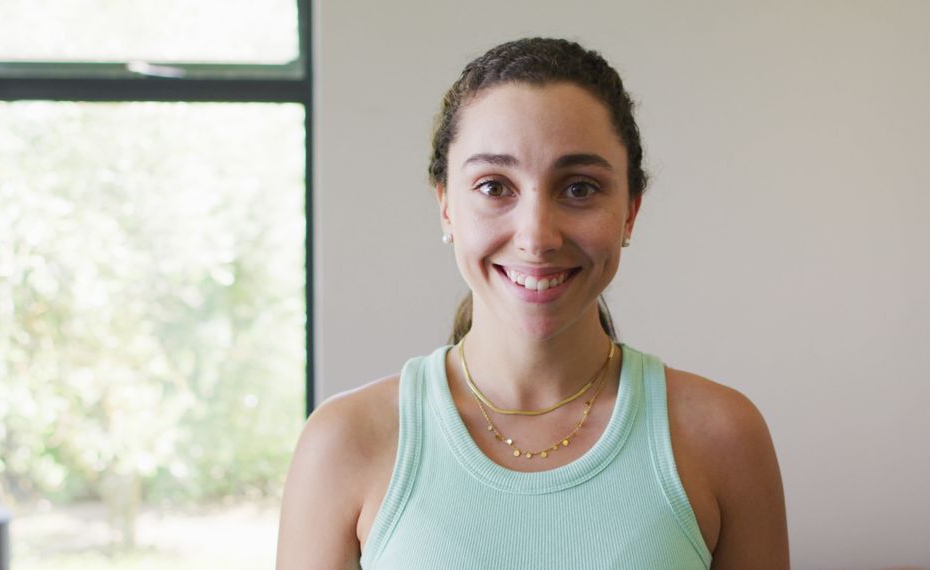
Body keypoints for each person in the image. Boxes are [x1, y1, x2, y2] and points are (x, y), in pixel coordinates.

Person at [276, 37, 788, 569]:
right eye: (495, 187)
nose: (537, 236)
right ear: (446, 206)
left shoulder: (724, 436)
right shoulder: (343, 443)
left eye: (580, 188)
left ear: (630, 211)